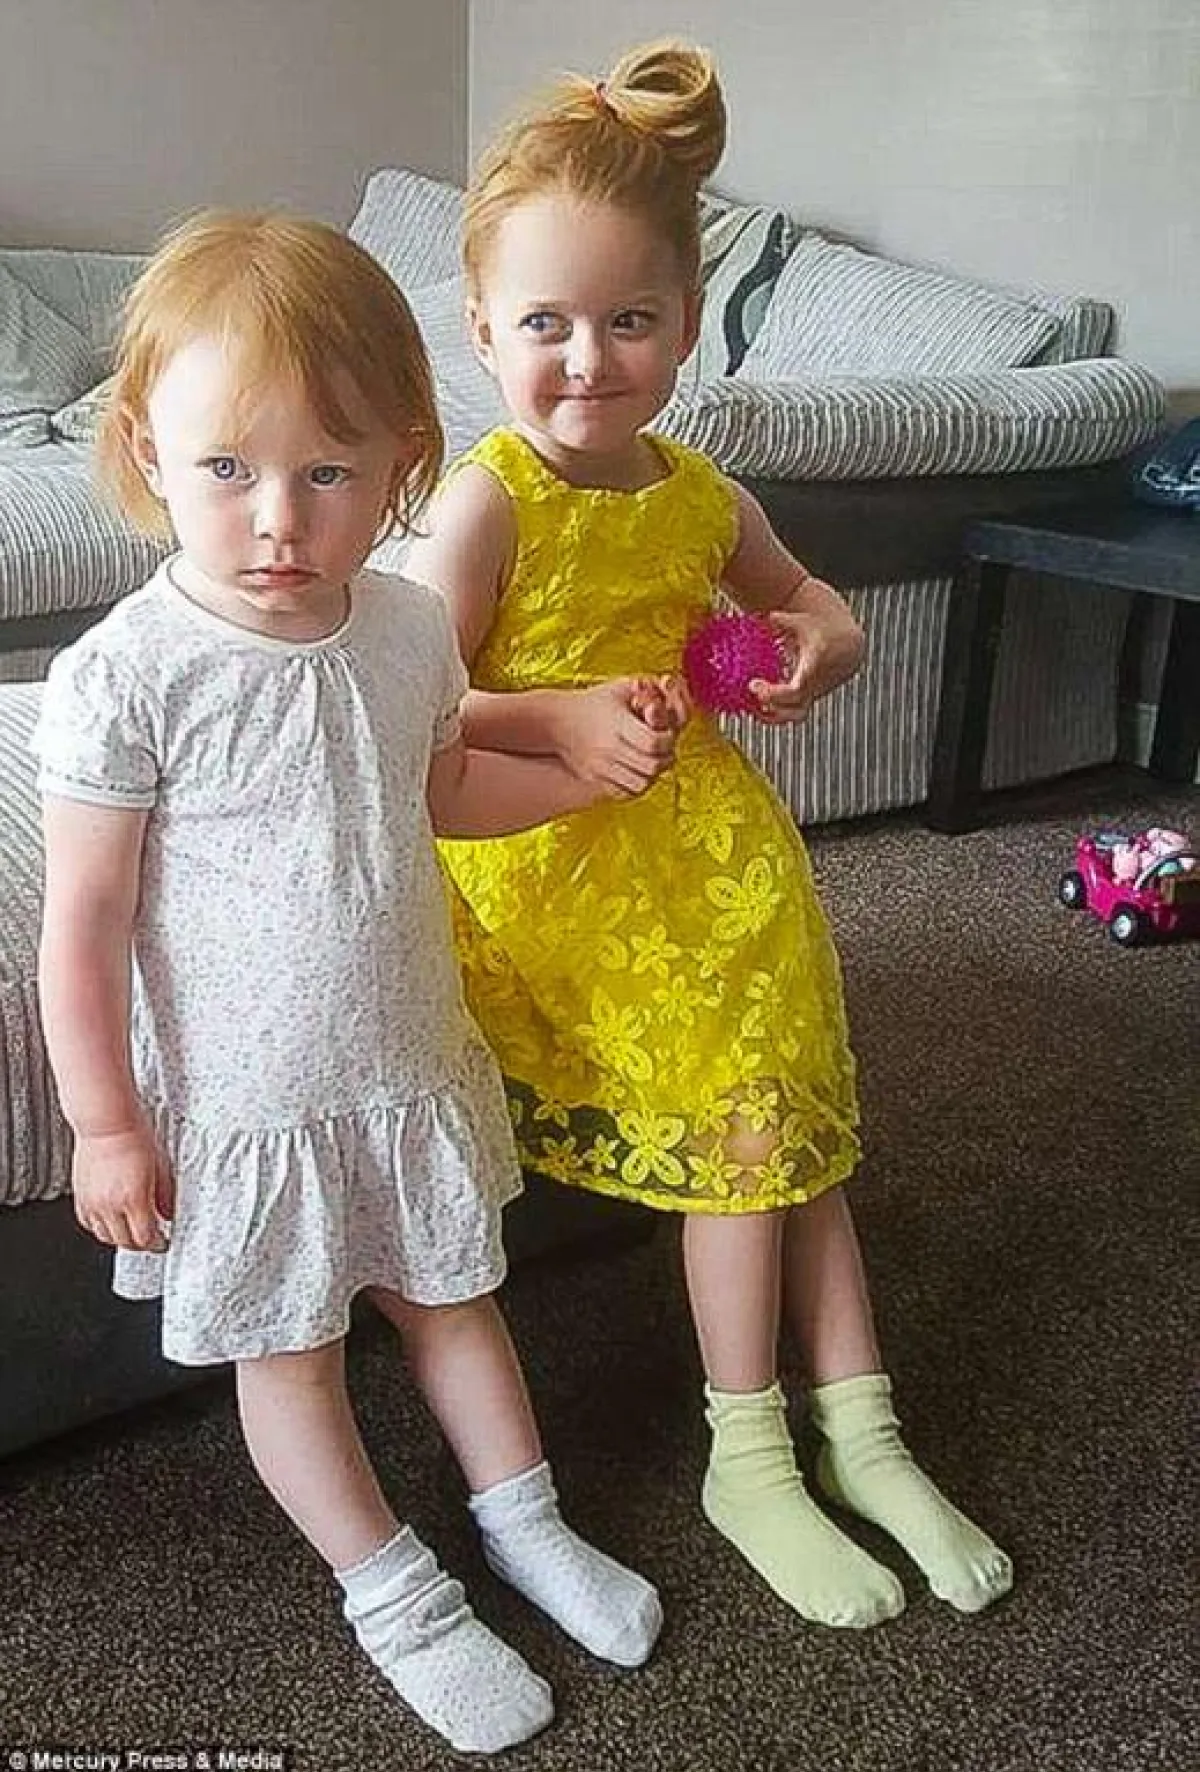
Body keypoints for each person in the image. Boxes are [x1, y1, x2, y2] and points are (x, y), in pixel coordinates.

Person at [32, 210, 664, 1758]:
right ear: (148, 453)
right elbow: (83, 924)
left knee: (457, 1301)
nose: (277, 521)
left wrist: (572, 781)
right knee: (293, 1357)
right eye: (227, 470)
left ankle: (526, 1525)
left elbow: (437, 790)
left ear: (400, 466)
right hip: (251, 1109)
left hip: (405, 1061)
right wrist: (105, 1126)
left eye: (327, 473)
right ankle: (397, 1596)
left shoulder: (404, 627)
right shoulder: (129, 672)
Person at [405, 39, 1013, 1631]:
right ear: (482, 331)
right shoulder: (485, 505)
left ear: (685, 324)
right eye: (546, 323)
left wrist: (821, 644)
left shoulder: (700, 493)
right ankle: (749, 1455)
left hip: (709, 854)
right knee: (750, 1125)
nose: (588, 359)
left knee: (795, 1117)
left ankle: (862, 1430)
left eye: (630, 321)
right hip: (550, 862)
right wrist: (556, 718)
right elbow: (410, 710)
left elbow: (808, 603)